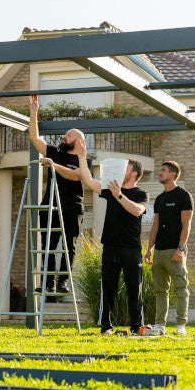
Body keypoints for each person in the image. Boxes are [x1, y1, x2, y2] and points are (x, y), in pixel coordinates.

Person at [74, 139, 149, 335]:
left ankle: (136, 327)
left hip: (131, 249)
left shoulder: (141, 193)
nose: (121, 168)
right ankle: (106, 326)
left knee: (135, 289)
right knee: (108, 288)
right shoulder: (110, 189)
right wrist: (82, 157)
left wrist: (120, 196)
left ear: (133, 173)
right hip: (110, 247)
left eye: (126, 166)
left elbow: (137, 211)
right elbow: (89, 181)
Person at [28, 95, 91, 299]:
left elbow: (76, 176)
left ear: (78, 141)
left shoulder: (84, 161)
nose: (63, 137)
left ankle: (63, 281)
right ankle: (48, 283)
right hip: (50, 206)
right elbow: (35, 139)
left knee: (68, 246)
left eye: (68, 136)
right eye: (64, 135)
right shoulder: (55, 152)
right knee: (48, 244)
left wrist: (54, 166)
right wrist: (34, 112)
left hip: (72, 206)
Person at [145, 161, 194, 336]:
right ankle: (160, 325)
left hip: (175, 251)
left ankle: (181, 324)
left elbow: (186, 224)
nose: (160, 173)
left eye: (163, 171)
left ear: (173, 174)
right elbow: (155, 226)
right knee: (160, 291)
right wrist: (150, 249)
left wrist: (180, 248)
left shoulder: (183, 196)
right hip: (159, 252)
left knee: (181, 288)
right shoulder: (159, 199)